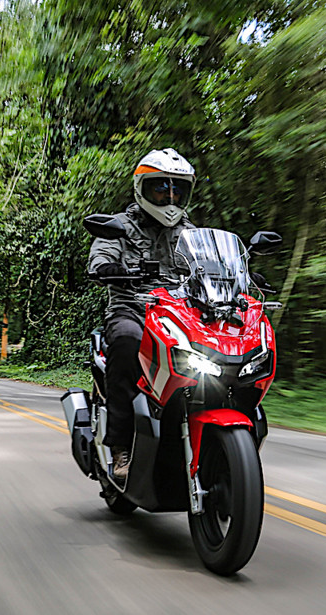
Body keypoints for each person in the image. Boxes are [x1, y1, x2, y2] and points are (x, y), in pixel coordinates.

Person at [87, 148, 197, 482]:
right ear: (142, 188)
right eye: (161, 187)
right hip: (131, 309)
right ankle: (121, 445)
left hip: (180, 314)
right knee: (127, 340)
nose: (170, 195)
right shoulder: (119, 226)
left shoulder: (190, 232)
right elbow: (99, 259)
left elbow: (209, 262)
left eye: (177, 188)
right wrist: (109, 267)